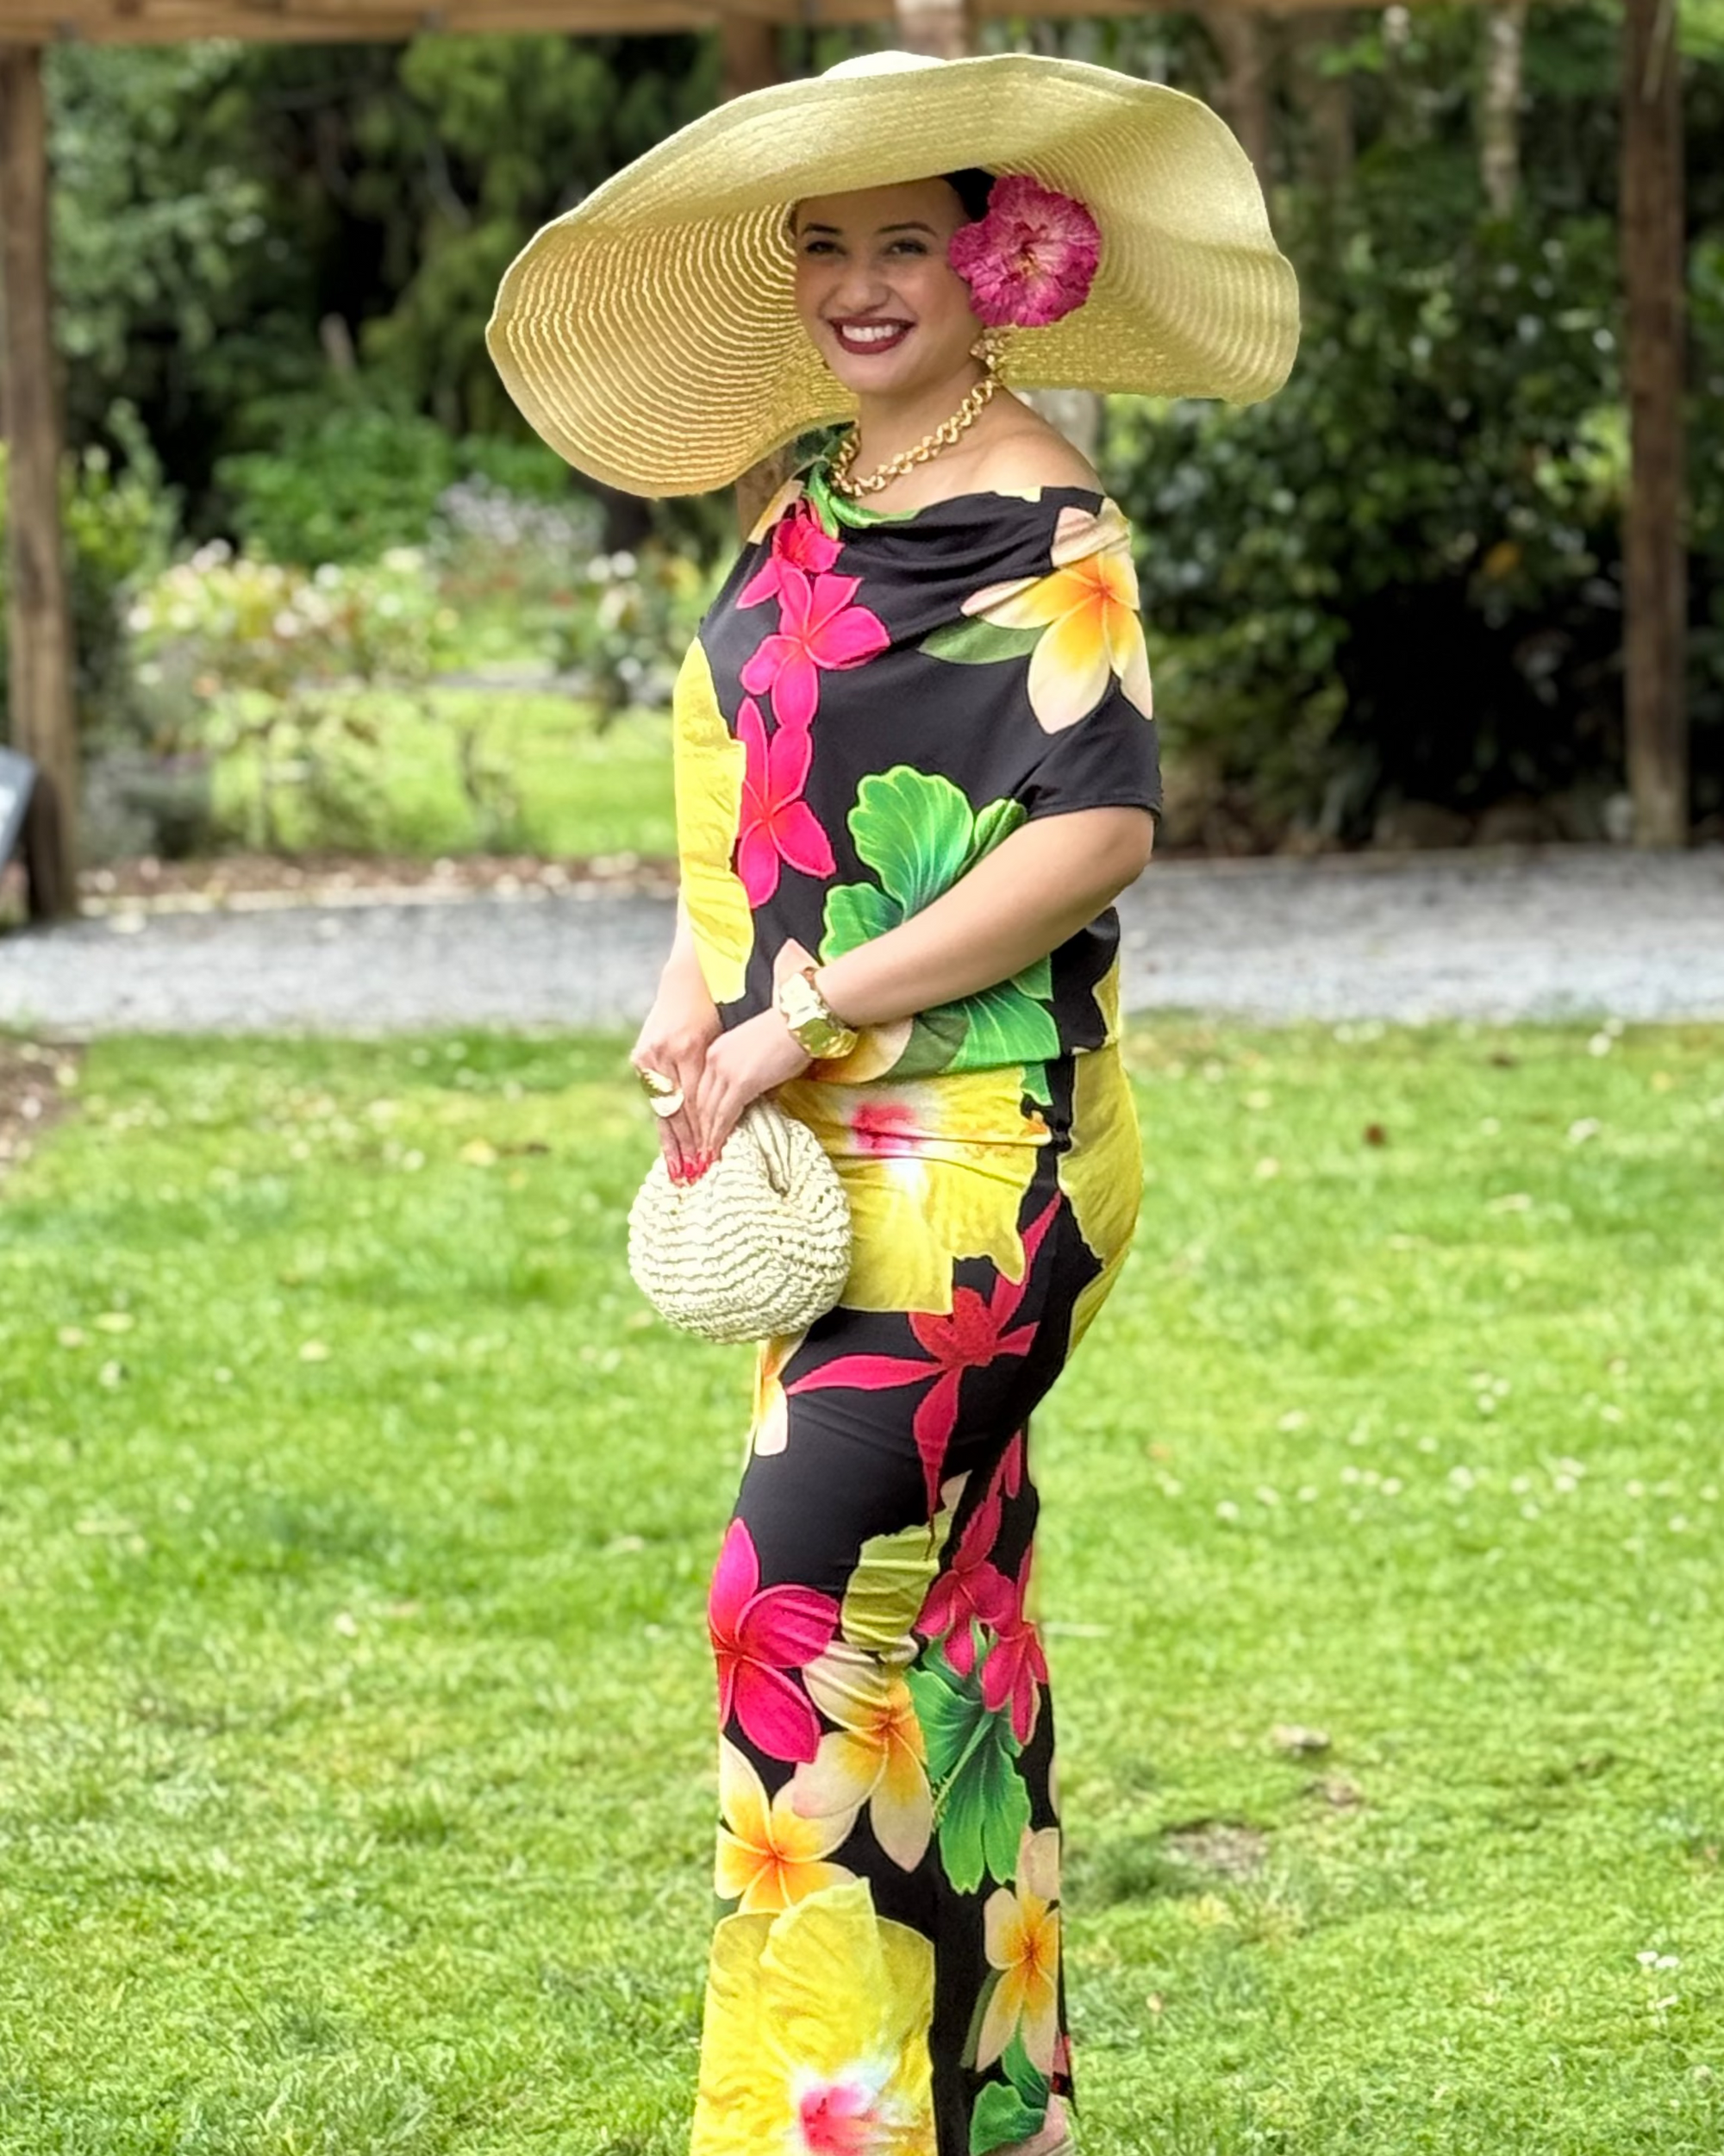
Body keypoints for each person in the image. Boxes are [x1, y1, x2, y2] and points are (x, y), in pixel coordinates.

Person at [488, 48, 1296, 2156]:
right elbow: (755, 786)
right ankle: (987, 2098)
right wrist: (694, 990)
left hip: (996, 1154)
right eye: (825, 245)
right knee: (940, 1604)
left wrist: (808, 1006)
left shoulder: (1048, 519)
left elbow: (1090, 832)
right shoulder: (814, 497)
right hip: (824, 1141)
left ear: (998, 261)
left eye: (904, 243)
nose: (860, 283)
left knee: (785, 1595)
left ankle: (819, 2129)